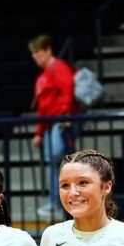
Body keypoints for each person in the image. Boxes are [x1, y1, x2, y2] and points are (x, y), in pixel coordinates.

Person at [28, 34, 76, 219]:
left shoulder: (60, 69)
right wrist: (39, 132)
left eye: (37, 53)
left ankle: (62, 201)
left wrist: (64, 114)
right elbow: (42, 108)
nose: (35, 58)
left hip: (59, 122)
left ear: (48, 50)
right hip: (49, 125)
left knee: (60, 159)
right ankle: (57, 201)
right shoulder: (42, 77)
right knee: (53, 162)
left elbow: (67, 92)